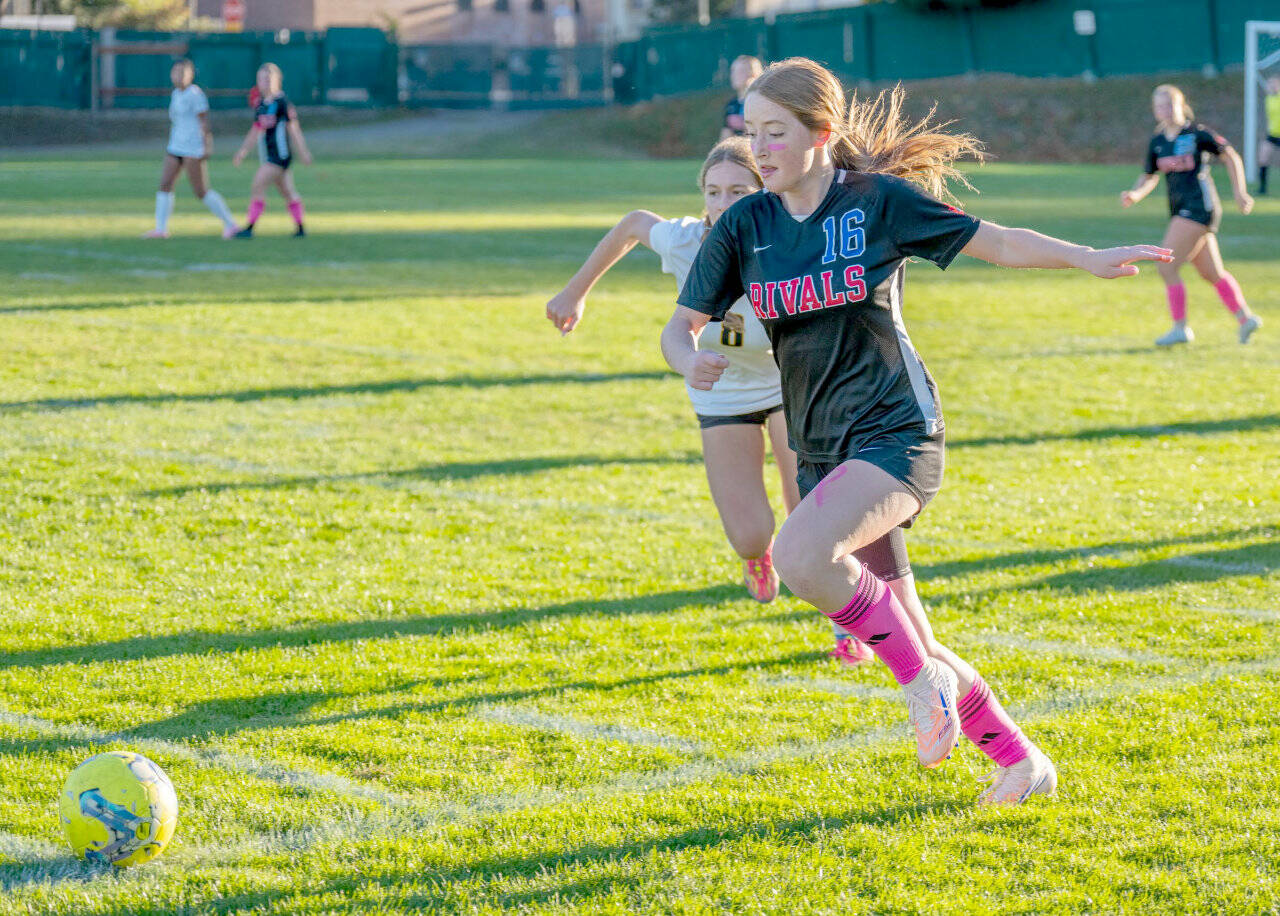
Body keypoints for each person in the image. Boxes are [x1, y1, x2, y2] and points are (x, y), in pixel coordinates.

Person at [663, 57, 1173, 804]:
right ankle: (1022, 760)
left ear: (821, 135)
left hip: (898, 432)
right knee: (916, 637)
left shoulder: (875, 203)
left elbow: (995, 240)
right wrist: (689, 362)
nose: (759, 149)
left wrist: (1084, 257)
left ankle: (921, 683)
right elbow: (681, 329)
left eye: (776, 133)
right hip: (820, 447)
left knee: (802, 556)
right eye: (752, 131)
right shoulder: (747, 224)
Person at [1121, 84, 1260, 346]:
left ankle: (1180, 328)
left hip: (1198, 208)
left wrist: (1239, 193)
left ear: (1180, 105)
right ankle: (1245, 318)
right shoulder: (1158, 141)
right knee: (1211, 273)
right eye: (1159, 106)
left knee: (1166, 266)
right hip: (1182, 210)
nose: (1165, 110)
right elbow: (1149, 176)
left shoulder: (1196, 134)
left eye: (1169, 104)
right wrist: (1135, 194)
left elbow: (1230, 155)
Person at [143, 59, 238, 239]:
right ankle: (161, 229)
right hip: (175, 146)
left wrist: (207, 145)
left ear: (190, 75)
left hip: (193, 148)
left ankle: (230, 224)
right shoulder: (175, 94)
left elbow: (204, 122)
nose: (178, 76)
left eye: (182, 72)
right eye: (175, 72)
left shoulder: (195, 94)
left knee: (201, 191)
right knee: (165, 184)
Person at [231, 63, 312, 238]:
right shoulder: (261, 104)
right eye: (262, 79)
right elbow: (255, 130)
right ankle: (300, 228)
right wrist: (243, 151)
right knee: (288, 192)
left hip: (280, 155)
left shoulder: (282, 102)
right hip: (270, 155)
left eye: (269, 78)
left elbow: (294, 129)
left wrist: (303, 151)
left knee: (258, 184)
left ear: (278, 80)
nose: (265, 82)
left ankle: (249, 228)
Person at [721, 56, 763, 140]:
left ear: (753, 74)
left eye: (741, 71)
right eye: (733, 71)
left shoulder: (761, 102)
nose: (734, 76)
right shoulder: (732, 104)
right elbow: (725, 137)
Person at [1257, 75, 1280, 195]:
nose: (1271, 86)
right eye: (1269, 84)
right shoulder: (1268, 99)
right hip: (1272, 135)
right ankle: (1262, 189)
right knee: (1262, 158)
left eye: (1274, 84)